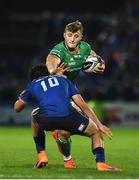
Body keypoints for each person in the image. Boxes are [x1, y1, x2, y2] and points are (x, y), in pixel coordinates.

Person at [14, 64, 120, 171]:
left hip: (47, 120)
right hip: (69, 118)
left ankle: (41, 154)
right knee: (95, 132)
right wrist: (99, 124)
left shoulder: (32, 84)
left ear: (33, 78)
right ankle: (101, 164)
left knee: (34, 115)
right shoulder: (64, 80)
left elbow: (17, 108)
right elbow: (82, 105)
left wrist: (21, 97)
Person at [31, 20, 106, 168]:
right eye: (69, 35)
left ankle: (67, 157)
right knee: (67, 129)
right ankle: (69, 158)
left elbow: (98, 59)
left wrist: (102, 65)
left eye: (76, 36)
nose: (72, 39)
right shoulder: (58, 51)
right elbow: (50, 61)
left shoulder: (85, 48)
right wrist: (53, 71)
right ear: (64, 35)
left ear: (81, 37)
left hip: (70, 92)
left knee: (66, 131)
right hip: (55, 94)